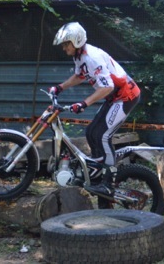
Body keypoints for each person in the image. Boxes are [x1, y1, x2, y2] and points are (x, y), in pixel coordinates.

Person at [49, 22, 140, 199]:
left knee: (103, 136)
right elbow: (79, 76)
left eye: (66, 44)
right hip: (113, 97)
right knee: (91, 132)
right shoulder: (79, 56)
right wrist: (60, 87)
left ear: (76, 41)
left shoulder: (91, 57)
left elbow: (108, 87)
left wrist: (84, 103)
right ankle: (98, 174)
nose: (64, 48)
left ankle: (108, 183)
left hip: (126, 96)